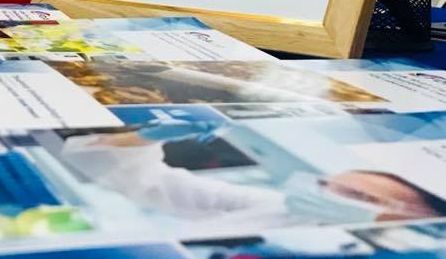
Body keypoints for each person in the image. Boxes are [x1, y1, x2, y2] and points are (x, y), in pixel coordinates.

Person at [57, 129, 446, 232]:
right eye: (325, 184)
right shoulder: (282, 210)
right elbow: (152, 183)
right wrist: (144, 136)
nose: (323, 193)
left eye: (355, 194)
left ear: (420, 215)